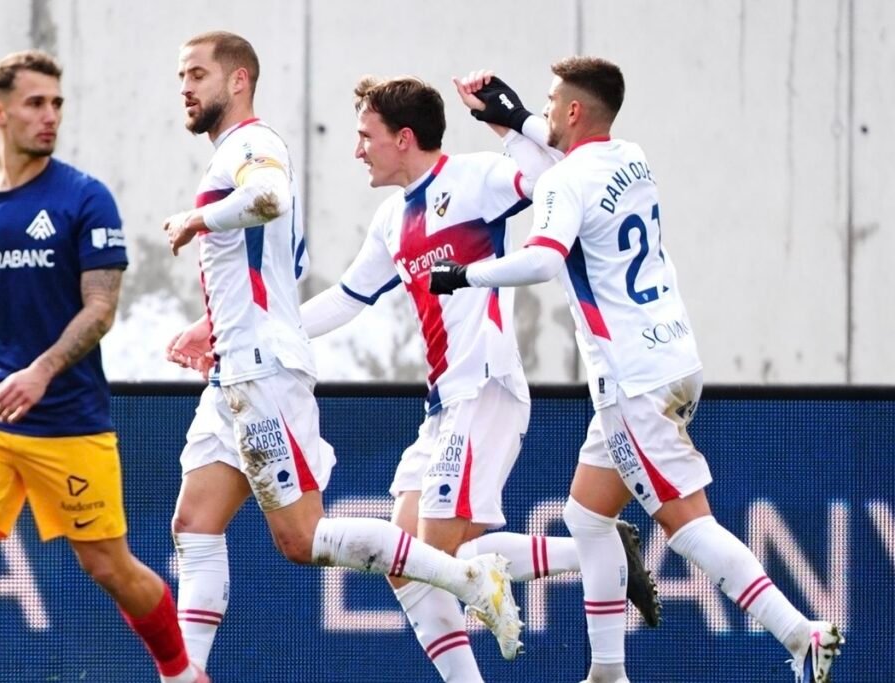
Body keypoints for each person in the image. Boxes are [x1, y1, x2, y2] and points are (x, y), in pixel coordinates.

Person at [429, 58, 845, 683]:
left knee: (687, 524)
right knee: (587, 517)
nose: (543, 112)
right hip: (672, 357)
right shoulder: (631, 155)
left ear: (572, 111)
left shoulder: (565, 181)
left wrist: (465, 273)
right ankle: (607, 672)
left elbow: (542, 260)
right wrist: (512, 120)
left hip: (631, 381)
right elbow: (564, 167)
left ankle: (800, 634)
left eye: (549, 104)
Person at [158, 31, 523, 675]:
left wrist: (197, 220)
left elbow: (268, 197)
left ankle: (471, 582)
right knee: (194, 523)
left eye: (196, 74)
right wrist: (209, 323)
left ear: (238, 80)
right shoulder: (386, 217)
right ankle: (188, 673)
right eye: (181, 75)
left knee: (303, 540)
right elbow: (321, 290)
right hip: (238, 364)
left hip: (267, 372)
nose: (184, 87)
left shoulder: (253, 144)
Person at [297, 74, 659, 683]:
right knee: (404, 561)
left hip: (485, 388)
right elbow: (344, 300)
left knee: (438, 557)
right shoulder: (391, 219)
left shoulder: (474, 179)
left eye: (366, 136)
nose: (357, 149)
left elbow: (553, 179)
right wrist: (255, 335)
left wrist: (513, 125)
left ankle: (594, 552)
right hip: (443, 405)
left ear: (403, 138)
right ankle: (598, 552)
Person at [0, 51, 208, 683]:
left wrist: (42, 370)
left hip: (68, 419)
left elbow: (101, 308)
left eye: (57, 104)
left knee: (108, 566)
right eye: (35, 103)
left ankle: (181, 672)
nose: (50, 117)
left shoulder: (84, 197)